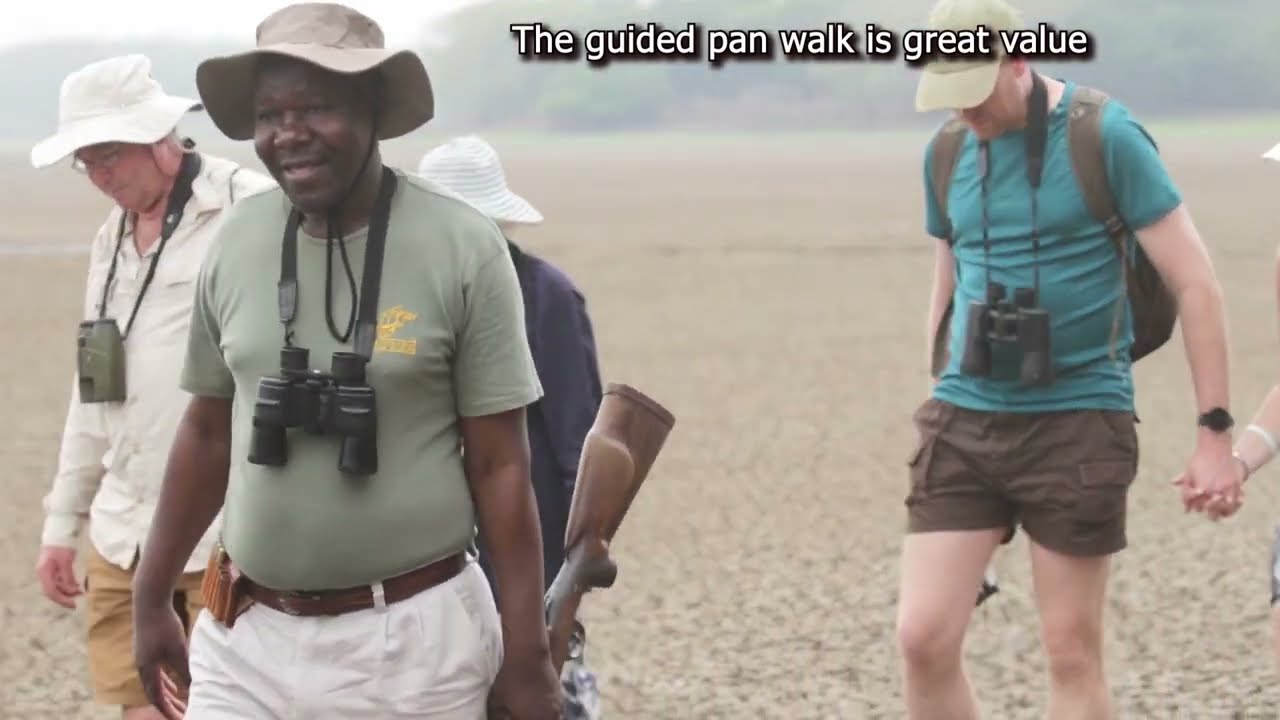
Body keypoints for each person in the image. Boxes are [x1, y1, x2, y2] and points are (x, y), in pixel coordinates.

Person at [128, 3, 563, 719]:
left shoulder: (462, 246)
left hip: (415, 643)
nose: (288, 133)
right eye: (270, 114)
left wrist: (527, 656)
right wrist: (151, 599)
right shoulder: (236, 243)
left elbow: (501, 465)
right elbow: (206, 432)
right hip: (244, 635)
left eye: (317, 107)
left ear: (372, 109)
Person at [899, 0, 1238, 718]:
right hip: (965, 422)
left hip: (1078, 422)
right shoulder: (947, 153)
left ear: (1018, 61)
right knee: (922, 639)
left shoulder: (1104, 136)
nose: (966, 115)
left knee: (1071, 652)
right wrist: (938, 397)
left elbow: (1196, 282)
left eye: (975, 94)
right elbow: (947, 283)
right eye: (949, 98)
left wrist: (1215, 434)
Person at [29, 53, 272, 720]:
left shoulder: (249, 209)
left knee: (223, 706)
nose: (100, 177)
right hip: (121, 533)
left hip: (220, 531)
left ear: (158, 136)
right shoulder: (109, 238)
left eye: (109, 156)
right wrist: (61, 523)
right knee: (137, 705)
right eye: (87, 162)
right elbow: (94, 383)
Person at [418, 135, 605, 720]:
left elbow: (581, 440)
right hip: (427, 548)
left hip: (522, 547)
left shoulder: (547, 296)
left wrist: (574, 567)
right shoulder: (410, 299)